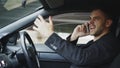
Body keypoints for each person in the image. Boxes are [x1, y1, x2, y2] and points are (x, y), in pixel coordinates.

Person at [33, 8, 120, 68]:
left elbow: (81, 58)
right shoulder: (98, 41)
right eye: (90, 19)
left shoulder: (110, 44)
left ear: (107, 23)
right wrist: (74, 36)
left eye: (96, 19)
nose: (90, 22)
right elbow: (74, 54)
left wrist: (50, 35)